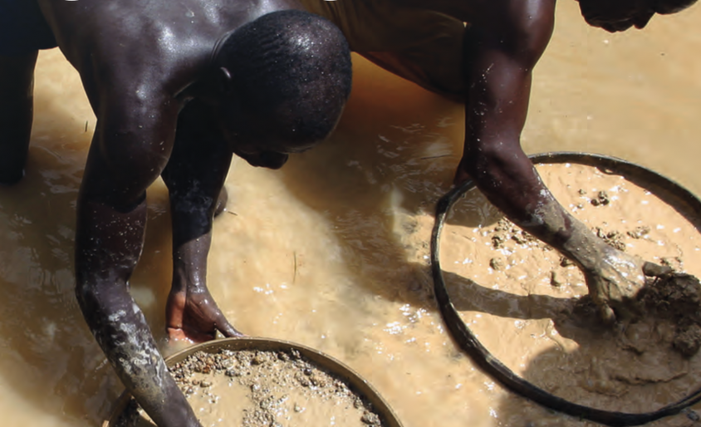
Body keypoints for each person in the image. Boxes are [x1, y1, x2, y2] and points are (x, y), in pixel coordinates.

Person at [0, 0, 353, 427]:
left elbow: (213, 128)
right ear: (228, 81)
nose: (274, 164)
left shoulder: (277, 26)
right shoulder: (141, 103)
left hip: (172, 54)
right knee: (2, 169)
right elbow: (99, 288)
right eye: (266, 145)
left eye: (288, 152)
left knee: (207, 174)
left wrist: (192, 277)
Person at [294, 0, 699, 323]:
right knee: (282, 86)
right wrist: (595, 256)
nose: (641, 23)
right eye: (649, 6)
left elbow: (489, 151)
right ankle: (303, 26)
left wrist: (488, 157)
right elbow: (493, 157)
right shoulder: (525, 11)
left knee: (466, 76)